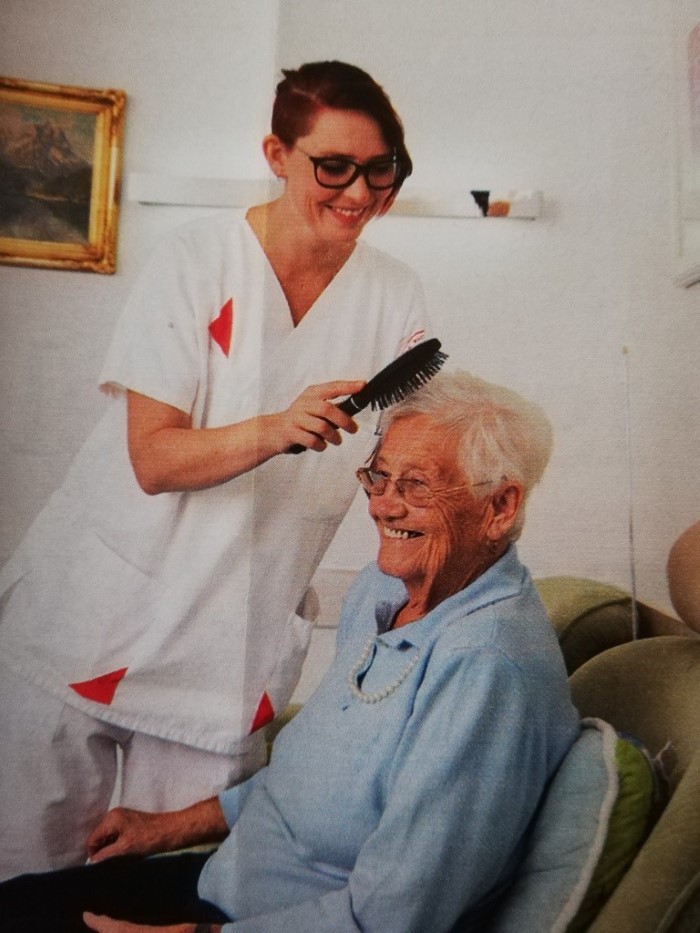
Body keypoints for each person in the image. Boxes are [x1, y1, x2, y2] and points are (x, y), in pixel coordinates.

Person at [0, 60, 429, 879]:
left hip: (230, 641)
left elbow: (411, 440)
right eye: (333, 166)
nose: (359, 192)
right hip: (95, 615)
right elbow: (153, 456)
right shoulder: (196, 260)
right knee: (25, 872)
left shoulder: (395, 295)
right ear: (276, 154)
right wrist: (274, 427)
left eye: (381, 170)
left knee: (179, 885)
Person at [0, 372, 581, 933]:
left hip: (272, 919)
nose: (383, 507)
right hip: (228, 878)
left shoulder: (486, 670)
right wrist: (172, 827)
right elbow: (314, 778)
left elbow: (393, 918)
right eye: (379, 478)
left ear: (500, 507)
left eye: (416, 486)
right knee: (15, 903)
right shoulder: (383, 590)